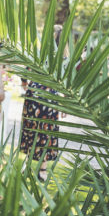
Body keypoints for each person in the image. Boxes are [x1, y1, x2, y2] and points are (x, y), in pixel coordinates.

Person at [19, 25, 63, 181]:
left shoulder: (41, 50)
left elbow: (25, 70)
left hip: (36, 92)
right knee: (45, 129)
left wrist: (26, 84)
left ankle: (28, 164)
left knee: (33, 128)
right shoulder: (60, 54)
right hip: (48, 94)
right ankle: (41, 169)